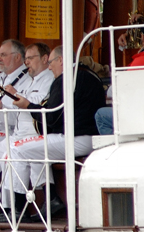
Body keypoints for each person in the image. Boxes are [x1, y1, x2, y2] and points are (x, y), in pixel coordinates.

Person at [7, 46, 106, 214]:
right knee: (37, 148)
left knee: (17, 149)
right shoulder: (92, 76)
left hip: (75, 138)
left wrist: (27, 105)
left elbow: (51, 117)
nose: (49, 67)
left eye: (51, 62)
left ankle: (18, 210)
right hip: (94, 138)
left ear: (61, 60)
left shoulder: (65, 79)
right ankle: (51, 200)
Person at [0, 42, 55, 220]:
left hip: (34, 134)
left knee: (11, 155)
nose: (27, 62)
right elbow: (14, 116)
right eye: (26, 58)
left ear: (44, 59)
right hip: (17, 134)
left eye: (30, 58)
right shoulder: (30, 81)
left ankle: (14, 209)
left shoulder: (49, 79)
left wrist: (15, 95)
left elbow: (36, 104)